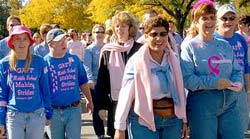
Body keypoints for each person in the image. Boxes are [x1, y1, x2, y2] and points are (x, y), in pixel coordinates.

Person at [114, 16, 187, 139]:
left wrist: (184, 119)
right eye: (154, 34)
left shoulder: (173, 59)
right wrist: (120, 128)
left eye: (163, 34)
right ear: (146, 36)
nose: (159, 38)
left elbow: (181, 91)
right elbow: (125, 96)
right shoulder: (136, 61)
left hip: (172, 120)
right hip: (143, 120)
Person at [181, 3, 244, 139]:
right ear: (196, 22)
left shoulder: (225, 45)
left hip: (229, 103)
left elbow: (237, 69)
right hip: (202, 104)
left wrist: (238, 82)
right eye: (204, 18)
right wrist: (215, 82)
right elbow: (187, 79)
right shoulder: (189, 47)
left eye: (212, 17)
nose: (209, 22)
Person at [95, 11, 142, 138]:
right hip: (116, 104)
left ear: (130, 28)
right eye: (117, 26)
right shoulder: (108, 51)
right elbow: (102, 81)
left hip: (137, 103)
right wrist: (102, 106)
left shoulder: (140, 49)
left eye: (123, 26)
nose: (119, 29)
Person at [0, 25, 52, 139]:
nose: (21, 42)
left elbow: (45, 89)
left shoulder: (39, 61)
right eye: (17, 38)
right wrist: (1, 120)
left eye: (25, 38)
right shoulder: (4, 64)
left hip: (37, 115)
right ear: (12, 42)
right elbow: (2, 94)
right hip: (14, 116)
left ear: (30, 41)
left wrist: (49, 113)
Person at [44, 28, 93, 139]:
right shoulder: (44, 63)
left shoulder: (74, 60)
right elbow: (41, 90)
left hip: (73, 109)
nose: (64, 43)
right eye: (59, 40)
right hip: (53, 112)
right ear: (50, 44)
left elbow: (83, 82)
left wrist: (90, 101)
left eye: (65, 39)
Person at [214, 4, 250, 132]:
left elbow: (245, 67)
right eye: (224, 18)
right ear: (217, 20)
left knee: (238, 129)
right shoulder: (213, 39)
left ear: (236, 20)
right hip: (218, 91)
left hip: (238, 91)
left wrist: (248, 92)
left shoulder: (241, 39)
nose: (228, 21)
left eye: (231, 18)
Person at [83, 24, 108, 138]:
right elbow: (87, 66)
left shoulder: (108, 47)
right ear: (93, 34)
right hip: (96, 83)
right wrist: (90, 80)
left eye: (101, 32)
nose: (99, 34)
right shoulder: (89, 50)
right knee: (97, 110)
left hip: (108, 83)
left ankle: (111, 131)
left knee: (110, 109)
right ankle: (100, 133)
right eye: (97, 32)